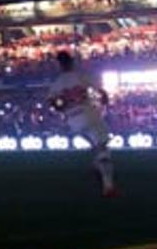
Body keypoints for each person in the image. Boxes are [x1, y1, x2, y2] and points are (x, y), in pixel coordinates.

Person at [47, 50, 117, 197]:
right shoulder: (82, 76)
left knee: (96, 147)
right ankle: (108, 185)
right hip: (89, 114)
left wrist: (64, 107)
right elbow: (102, 93)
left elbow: (54, 104)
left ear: (59, 65)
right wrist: (104, 106)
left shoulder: (57, 83)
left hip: (73, 121)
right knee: (103, 148)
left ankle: (97, 165)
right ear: (72, 62)